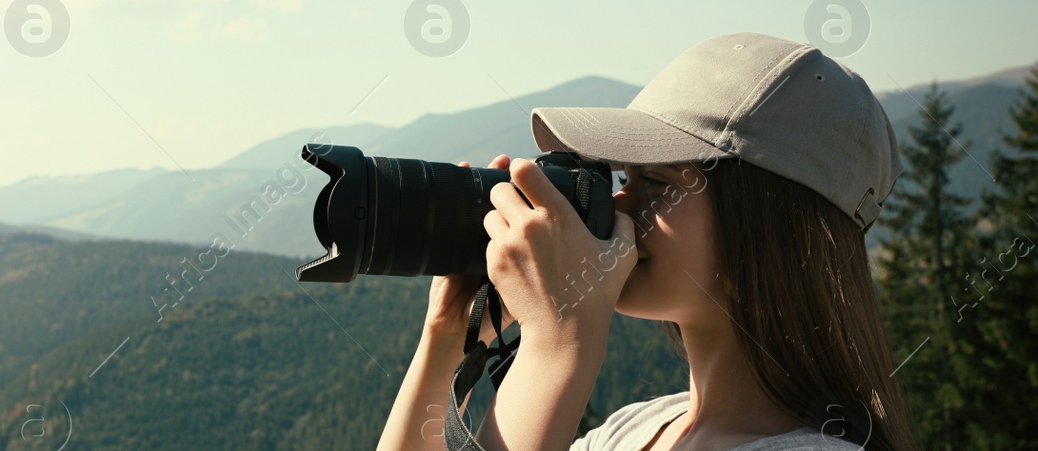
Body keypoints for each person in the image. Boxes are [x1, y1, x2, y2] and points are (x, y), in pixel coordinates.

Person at [378, 32, 915, 450]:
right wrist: (448, 339)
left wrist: (559, 340)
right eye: (624, 180)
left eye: (656, 184)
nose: (619, 209)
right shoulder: (633, 431)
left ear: (772, 224)